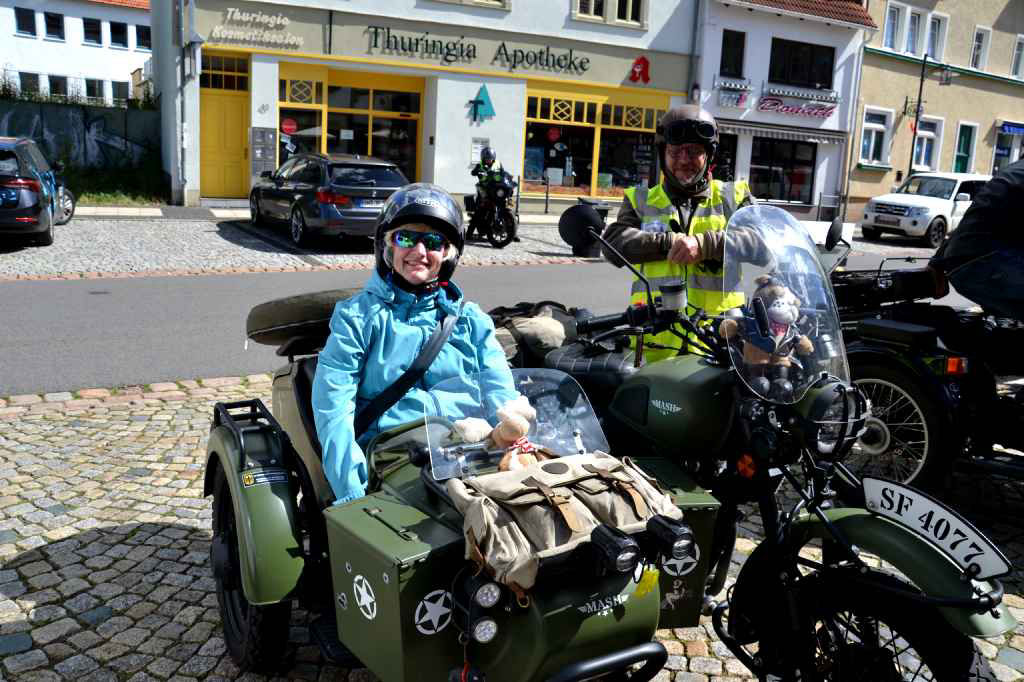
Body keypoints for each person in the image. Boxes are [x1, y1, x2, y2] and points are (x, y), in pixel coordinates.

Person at [311, 183, 517, 504]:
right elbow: (334, 408)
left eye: (433, 241)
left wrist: (514, 445)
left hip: (470, 451)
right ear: (387, 246)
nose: (420, 252)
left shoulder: (471, 321)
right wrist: (352, 491)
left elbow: (501, 394)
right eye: (406, 238)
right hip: (394, 458)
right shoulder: (358, 318)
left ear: (447, 254)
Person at [601, 106, 756, 362]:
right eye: (675, 152)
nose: (684, 160)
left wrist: (705, 245)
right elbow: (613, 245)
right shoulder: (640, 199)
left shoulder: (733, 196)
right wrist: (669, 242)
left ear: (709, 155)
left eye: (694, 151)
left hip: (719, 343)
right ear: (663, 154)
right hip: (655, 344)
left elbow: (762, 242)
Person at [930, 158, 1024, 321]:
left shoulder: (1013, 171)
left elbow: (976, 218)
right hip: (988, 265)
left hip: (962, 264)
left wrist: (936, 262)